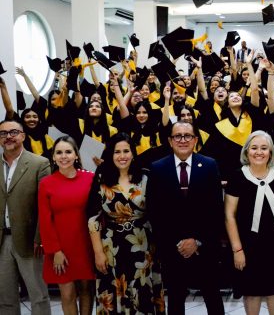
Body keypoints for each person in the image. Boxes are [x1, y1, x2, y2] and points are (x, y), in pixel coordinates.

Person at [146, 121, 225, 315]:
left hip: (204, 247)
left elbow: (216, 209)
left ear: (195, 140)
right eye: (177, 136)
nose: (183, 140)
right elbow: (154, 211)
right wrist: (178, 242)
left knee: (213, 298)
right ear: (170, 141)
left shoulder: (209, 165)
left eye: (187, 135)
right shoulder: (157, 168)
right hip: (173, 248)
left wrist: (197, 241)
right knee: (175, 299)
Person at [87, 133, 165, 314]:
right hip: (111, 247)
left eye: (126, 151)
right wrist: (98, 252)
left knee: (142, 293)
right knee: (113, 292)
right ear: (110, 154)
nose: (122, 156)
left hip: (142, 246)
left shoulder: (145, 177)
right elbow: (93, 217)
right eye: (117, 152)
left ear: (133, 153)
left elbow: (157, 213)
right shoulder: (101, 178)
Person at [224, 131, 274, 315]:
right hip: (247, 245)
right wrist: (237, 250)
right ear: (246, 151)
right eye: (254, 148)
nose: (259, 152)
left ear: (270, 152)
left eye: (264, 148)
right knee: (251, 292)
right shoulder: (237, 177)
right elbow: (229, 215)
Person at [38, 136, 95, 315]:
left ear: (76, 155)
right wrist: (55, 251)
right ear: (53, 157)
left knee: (87, 290)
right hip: (60, 249)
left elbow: (97, 214)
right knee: (68, 294)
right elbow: (45, 220)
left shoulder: (91, 178)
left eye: (68, 152)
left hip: (86, 245)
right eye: (59, 152)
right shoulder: (46, 184)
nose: (64, 156)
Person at [0, 119, 52, 315]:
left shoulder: (40, 163)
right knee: (5, 298)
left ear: (23, 135)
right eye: (3, 134)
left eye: (13, 132)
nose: (8, 137)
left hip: (31, 241)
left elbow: (45, 205)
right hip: (2, 242)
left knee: (38, 296)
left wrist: (40, 238)